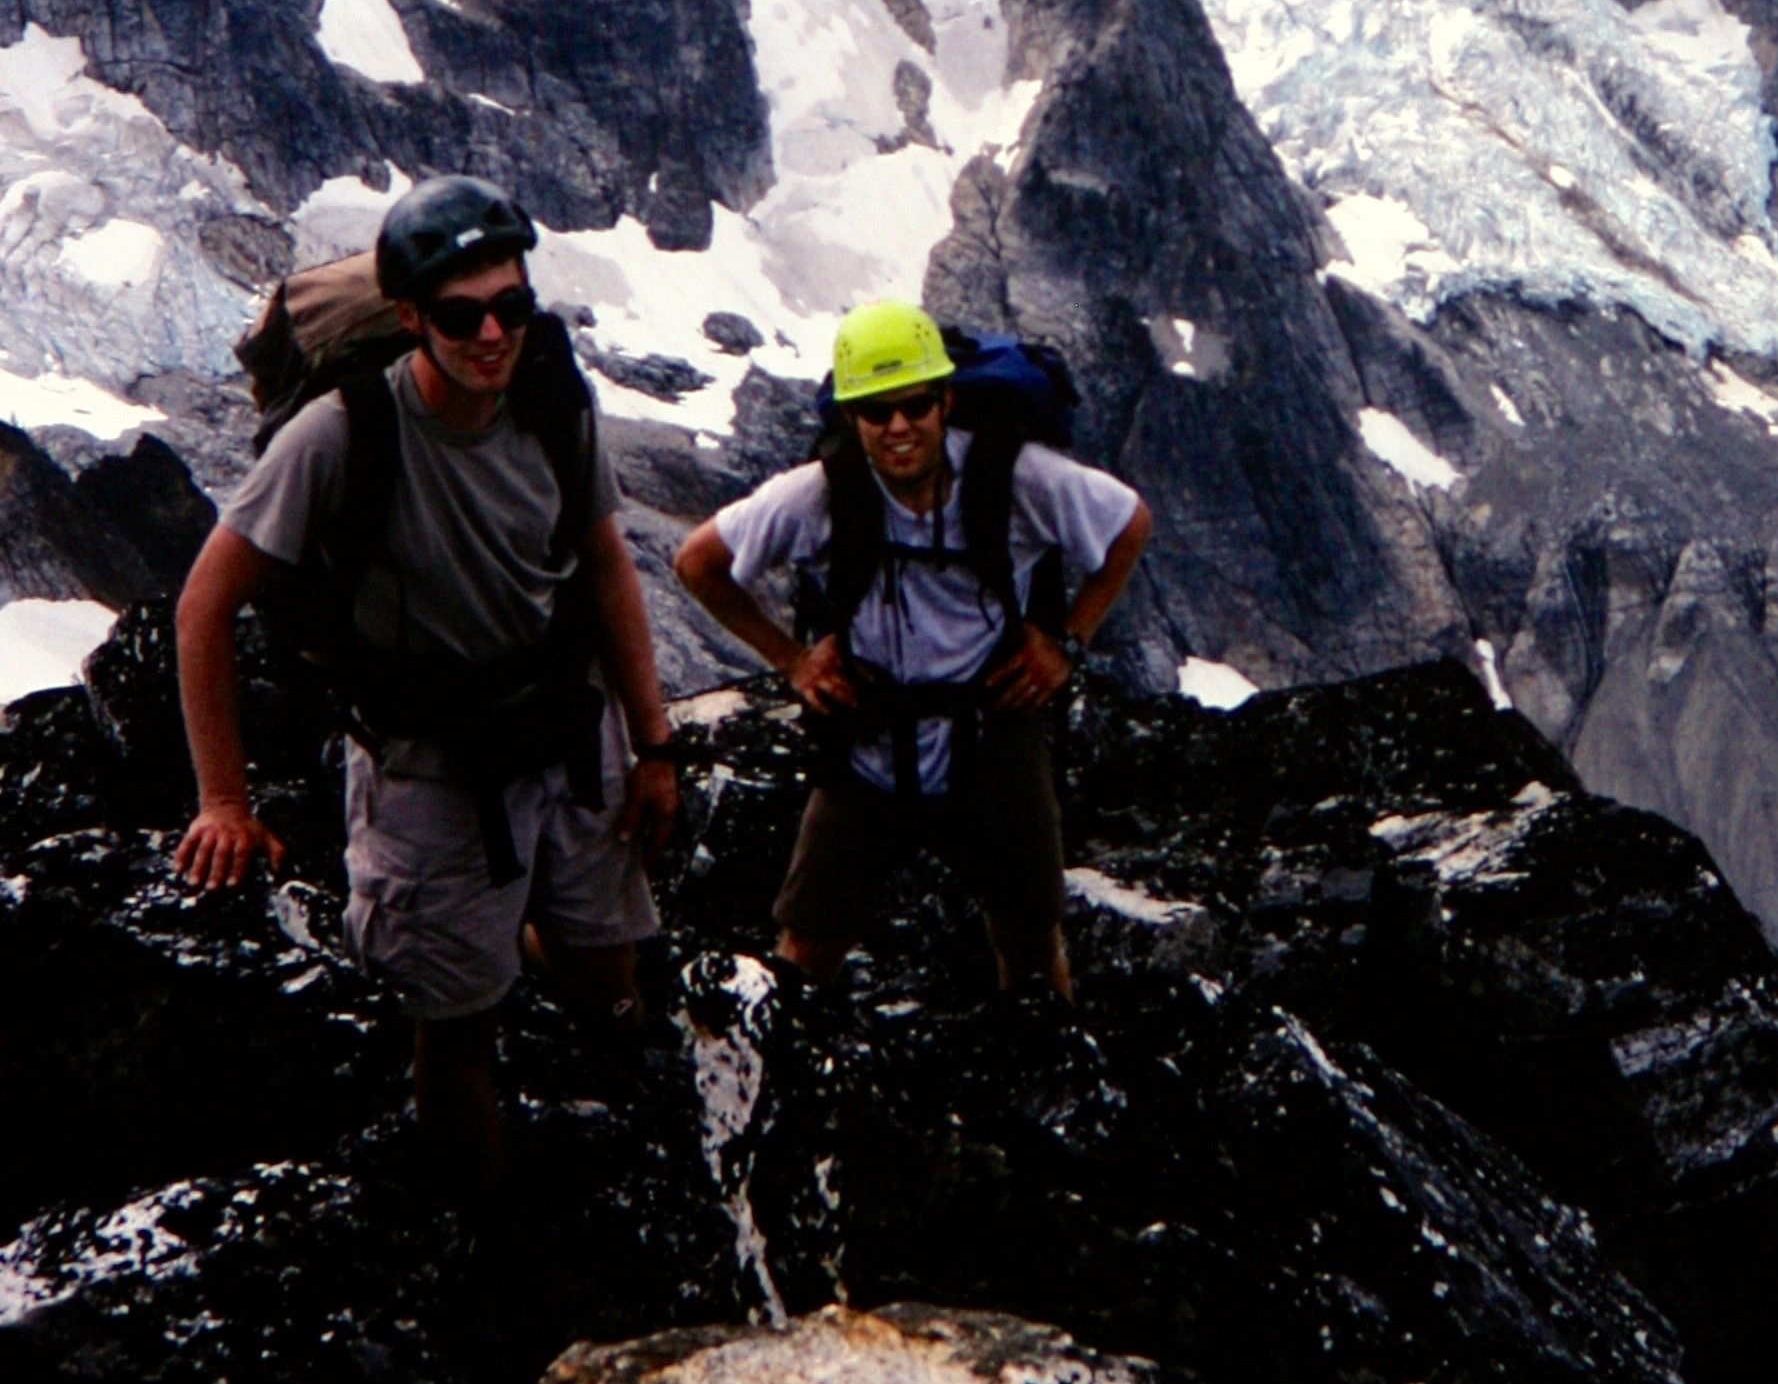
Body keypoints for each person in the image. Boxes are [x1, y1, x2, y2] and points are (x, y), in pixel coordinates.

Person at [173, 176, 679, 1209]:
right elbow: (203, 607)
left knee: (605, 984)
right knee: (454, 1032)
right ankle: (483, 1240)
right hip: (427, 767)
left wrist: (656, 741)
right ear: (410, 317)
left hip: (564, 734)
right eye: (461, 314)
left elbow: (604, 562)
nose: (492, 332)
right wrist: (224, 800)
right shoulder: (343, 433)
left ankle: (520, 949)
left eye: (511, 305)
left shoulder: (551, 400)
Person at [673, 298, 1150, 997]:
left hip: (990, 727)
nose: (898, 427)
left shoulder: (1013, 476)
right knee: (810, 939)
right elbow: (696, 562)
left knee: (1029, 937)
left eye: (916, 406)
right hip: (868, 736)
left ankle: (1044, 1076)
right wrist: (793, 661)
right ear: (850, 418)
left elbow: (1128, 524)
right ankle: (793, 1082)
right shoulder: (819, 495)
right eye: (875, 411)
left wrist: (1067, 643)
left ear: (945, 401)